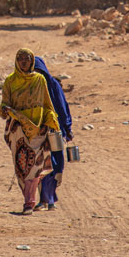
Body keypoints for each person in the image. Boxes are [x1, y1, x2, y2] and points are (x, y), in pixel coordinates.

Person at [0, 47, 59, 215]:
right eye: (20, 60)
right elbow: (4, 103)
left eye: (26, 59)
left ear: (32, 61)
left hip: (38, 129)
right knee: (22, 167)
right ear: (16, 62)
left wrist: (52, 121)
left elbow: (47, 104)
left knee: (35, 166)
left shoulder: (40, 80)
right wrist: (5, 110)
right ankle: (29, 199)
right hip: (18, 130)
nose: (23, 63)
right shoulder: (10, 81)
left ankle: (29, 203)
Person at [34, 56, 73, 211]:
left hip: (54, 131)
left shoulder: (53, 85)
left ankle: (48, 199)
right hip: (36, 132)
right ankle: (46, 199)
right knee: (39, 165)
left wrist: (67, 128)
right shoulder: (31, 86)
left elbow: (62, 107)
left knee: (54, 165)